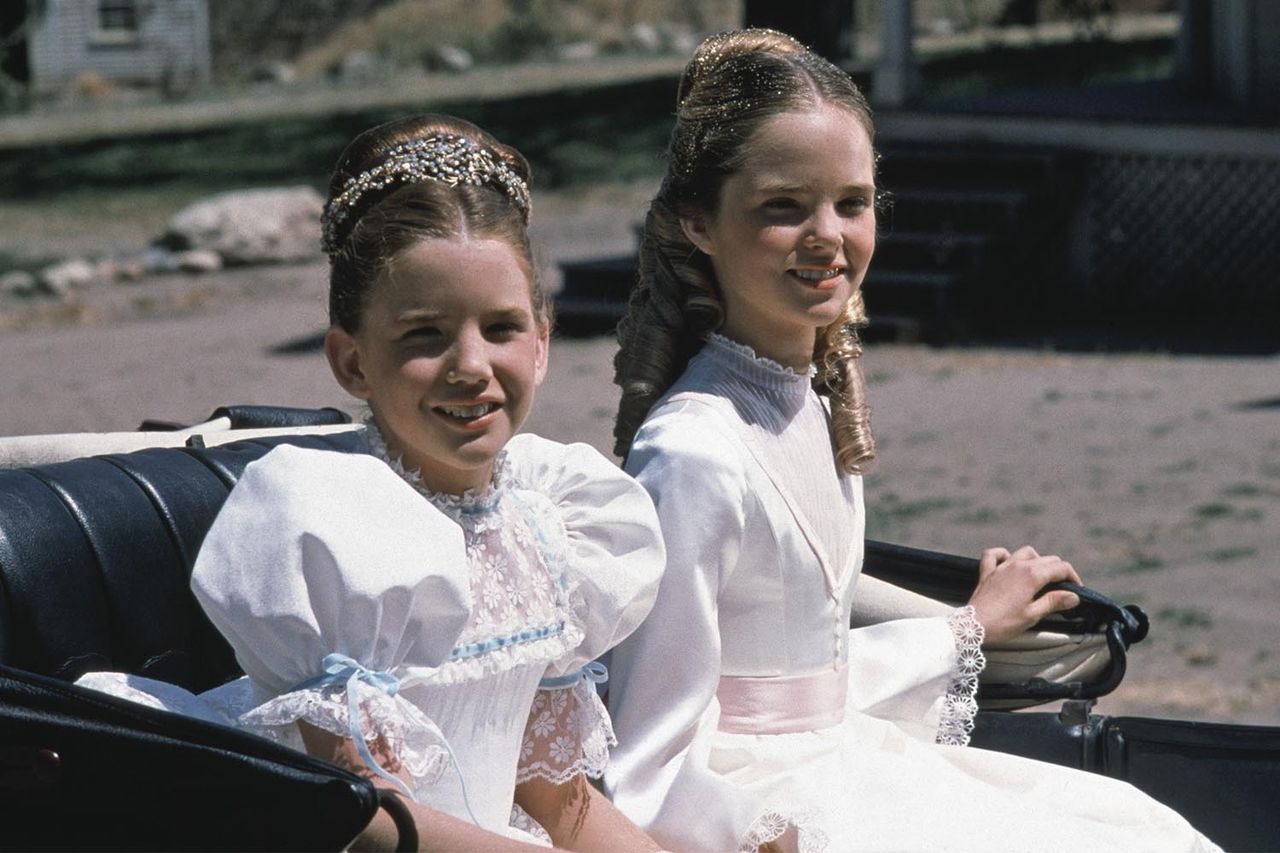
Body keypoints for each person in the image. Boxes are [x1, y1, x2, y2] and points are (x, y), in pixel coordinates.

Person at [603, 29, 1221, 853]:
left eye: (851, 203)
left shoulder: (805, 404)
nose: (827, 236)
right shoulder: (691, 452)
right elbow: (649, 754)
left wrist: (964, 627)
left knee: (1144, 830)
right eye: (783, 207)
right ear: (698, 222)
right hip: (768, 810)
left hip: (843, 757)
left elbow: (807, 679)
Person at [78, 114, 664, 851]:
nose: (471, 365)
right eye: (424, 333)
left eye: (503, 328)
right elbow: (370, 815)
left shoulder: (552, 526)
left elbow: (555, 795)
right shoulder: (334, 530)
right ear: (352, 361)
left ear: (542, 345)